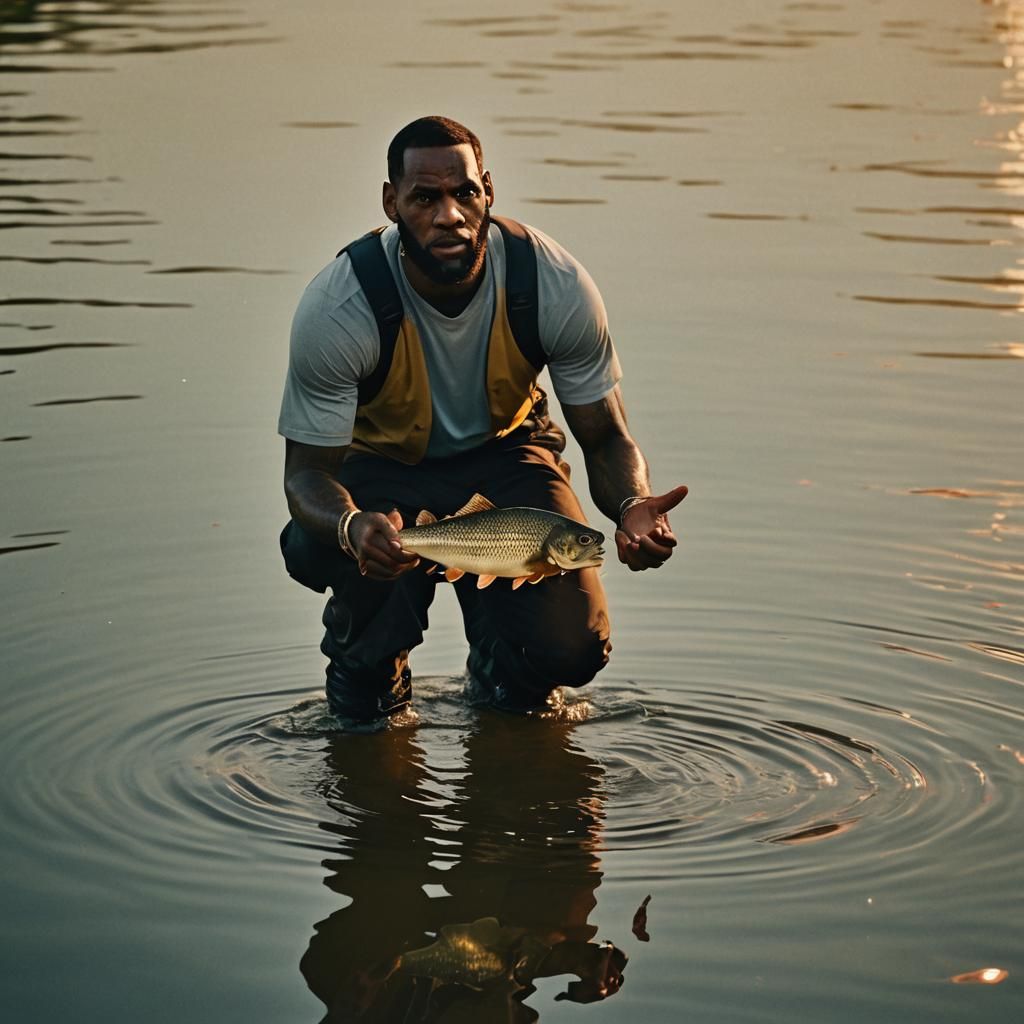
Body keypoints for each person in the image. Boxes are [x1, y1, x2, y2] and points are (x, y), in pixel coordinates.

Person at [278, 115, 686, 724]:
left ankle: (503, 674)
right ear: (391, 202)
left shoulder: (554, 281)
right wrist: (349, 525)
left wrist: (631, 504)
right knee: (364, 700)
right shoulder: (340, 307)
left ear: (488, 191)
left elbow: (604, 437)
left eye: (464, 193)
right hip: (380, 468)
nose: (449, 215)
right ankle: (372, 684)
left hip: (509, 454)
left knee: (572, 648)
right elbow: (306, 478)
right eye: (424, 198)